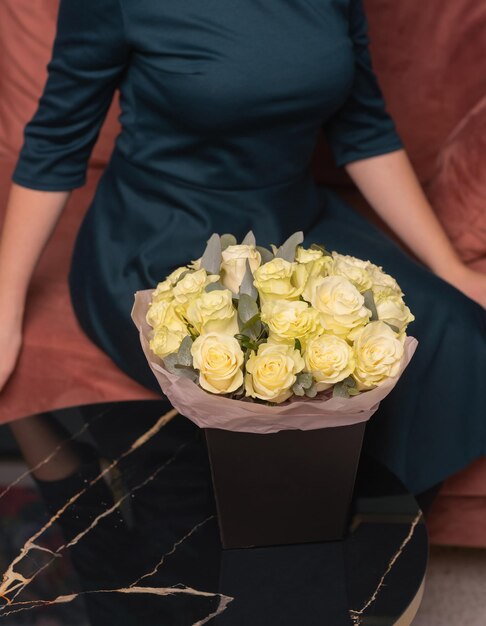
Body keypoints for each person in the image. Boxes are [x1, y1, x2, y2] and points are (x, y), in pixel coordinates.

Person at [0, 0, 485, 497]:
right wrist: (5, 306)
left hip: (293, 222)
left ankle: (380, 549)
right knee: (264, 381)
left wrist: (452, 269)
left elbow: (364, 129)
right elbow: (55, 144)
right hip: (163, 234)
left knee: (450, 331)